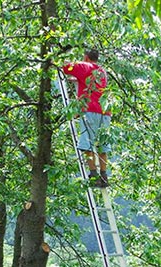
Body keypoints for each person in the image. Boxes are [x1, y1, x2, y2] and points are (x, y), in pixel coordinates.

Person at [62, 49, 111, 187]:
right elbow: (87, 81)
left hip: (90, 109)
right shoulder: (102, 71)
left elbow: (66, 67)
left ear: (86, 57)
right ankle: (104, 175)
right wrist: (76, 80)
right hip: (105, 111)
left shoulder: (85, 66)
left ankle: (93, 174)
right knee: (102, 144)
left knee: (87, 143)